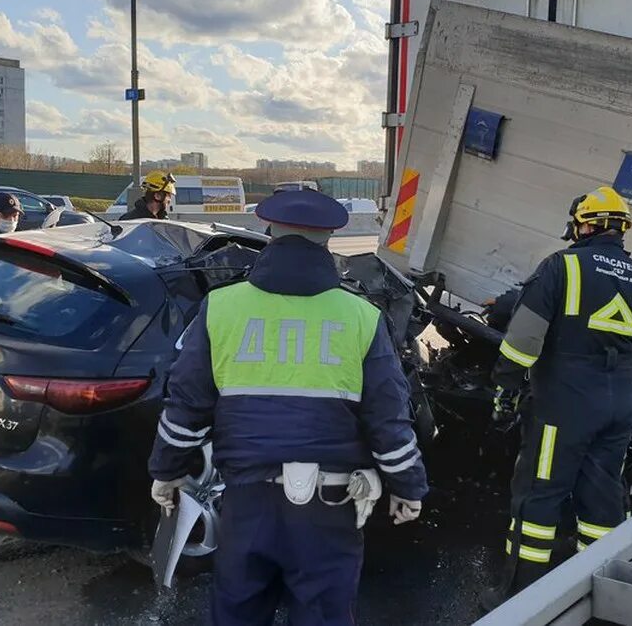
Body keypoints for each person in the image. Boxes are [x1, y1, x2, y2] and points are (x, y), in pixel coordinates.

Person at [149, 189, 429, 625]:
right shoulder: (360, 317)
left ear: (269, 234)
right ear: (329, 241)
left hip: (246, 505)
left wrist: (166, 471)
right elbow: (389, 419)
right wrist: (408, 486)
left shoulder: (221, 308)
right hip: (328, 511)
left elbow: (185, 408)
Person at [485, 185, 632, 599]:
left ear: (584, 225)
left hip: (564, 405)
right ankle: (603, 592)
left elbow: (523, 341)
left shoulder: (561, 268)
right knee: (603, 496)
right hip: (619, 406)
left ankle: (522, 595)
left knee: (540, 494)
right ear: (620, 230)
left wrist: (505, 392)